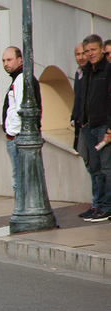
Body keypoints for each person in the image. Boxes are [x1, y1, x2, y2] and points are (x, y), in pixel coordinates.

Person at [1, 46, 41, 194]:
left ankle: (22, 212)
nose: (6, 63)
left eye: (9, 60)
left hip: (19, 138)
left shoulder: (21, 80)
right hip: (19, 137)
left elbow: (21, 111)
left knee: (20, 179)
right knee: (23, 177)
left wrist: (11, 133)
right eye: (4, 60)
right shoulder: (20, 78)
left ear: (19, 60)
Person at [80, 34, 111, 222]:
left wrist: (109, 129)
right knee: (96, 169)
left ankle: (107, 206)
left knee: (107, 168)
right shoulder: (87, 71)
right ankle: (98, 205)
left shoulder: (107, 71)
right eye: (87, 51)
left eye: (93, 50)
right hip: (89, 126)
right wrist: (82, 120)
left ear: (101, 49)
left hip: (103, 127)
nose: (90, 54)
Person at [71, 43, 95, 218]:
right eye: (77, 54)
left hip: (92, 124)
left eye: (83, 53)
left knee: (98, 167)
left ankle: (100, 203)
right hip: (81, 125)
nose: (81, 57)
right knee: (90, 165)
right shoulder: (79, 74)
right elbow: (77, 99)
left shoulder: (91, 73)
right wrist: (74, 117)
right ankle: (96, 203)